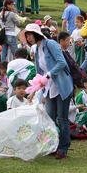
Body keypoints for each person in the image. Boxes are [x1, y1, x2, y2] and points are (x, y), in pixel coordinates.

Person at [24, 23, 73, 159]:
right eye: (26, 36)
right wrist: (34, 90)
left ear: (36, 33)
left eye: (30, 35)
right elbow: (40, 73)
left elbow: (61, 62)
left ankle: (63, 147)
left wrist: (48, 75)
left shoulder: (50, 44)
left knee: (62, 117)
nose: (28, 38)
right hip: (48, 88)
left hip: (61, 85)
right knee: (50, 117)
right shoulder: (37, 49)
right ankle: (53, 145)